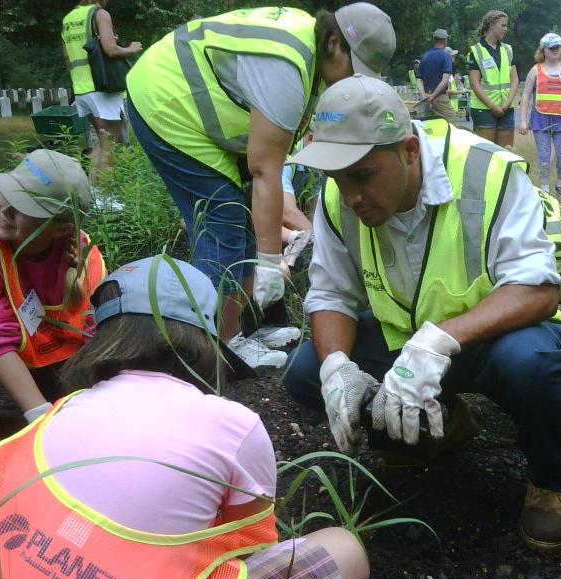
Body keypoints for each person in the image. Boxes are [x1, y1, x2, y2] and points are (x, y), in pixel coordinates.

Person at [283, 74, 561, 550]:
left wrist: (438, 339)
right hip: (407, 346)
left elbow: (538, 289)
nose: (351, 194)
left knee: (531, 362)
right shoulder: (340, 197)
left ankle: (553, 483)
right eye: (338, 177)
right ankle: (436, 426)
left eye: (362, 174)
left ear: (408, 150)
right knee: (307, 370)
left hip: (492, 338)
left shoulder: (488, 173)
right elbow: (331, 295)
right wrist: (338, 366)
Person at [0, 255, 368, 579]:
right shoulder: (234, 425)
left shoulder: (63, 410)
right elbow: (241, 546)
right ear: (205, 342)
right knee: (343, 548)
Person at [125, 4, 395, 368]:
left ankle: (243, 326)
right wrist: (269, 261)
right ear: (334, 44)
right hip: (166, 103)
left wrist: (266, 251)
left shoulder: (310, 52)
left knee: (242, 219)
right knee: (222, 222)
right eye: (354, 70)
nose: (351, 83)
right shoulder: (286, 65)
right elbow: (266, 169)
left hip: (190, 108)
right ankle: (216, 345)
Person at [0, 149, 106, 423]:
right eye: (8, 194)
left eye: (25, 207)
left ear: (61, 229)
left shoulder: (86, 260)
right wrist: (40, 416)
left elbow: (92, 334)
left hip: (52, 353)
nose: (7, 210)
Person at [61, 0, 142, 182]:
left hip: (81, 89)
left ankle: (92, 190)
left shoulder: (68, 19)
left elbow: (66, 56)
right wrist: (131, 49)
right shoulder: (100, 14)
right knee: (110, 143)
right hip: (103, 87)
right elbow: (111, 50)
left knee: (103, 141)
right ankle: (103, 197)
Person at [519, 33, 561, 202]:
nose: (554, 50)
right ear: (543, 50)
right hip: (540, 118)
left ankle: (560, 185)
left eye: (557, 47)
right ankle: (544, 189)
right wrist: (523, 120)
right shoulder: (535, 70)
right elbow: (526, 96)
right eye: (550, 48)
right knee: (544, 156)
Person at [467, 10, 518, 148]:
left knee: (506, 152)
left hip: (506, 108)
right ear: (491, 26)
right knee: (486, 151)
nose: (505, 29)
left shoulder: (508, 49)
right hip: (483, 109)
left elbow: (515, 80)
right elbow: (474, 83)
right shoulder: (476, 51)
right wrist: (493, 106)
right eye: (503, 25)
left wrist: (507, 104)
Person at [417, 28, 459, 124]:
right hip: (439, 97)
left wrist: (424, 95)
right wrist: (434, 95)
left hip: (426, 98)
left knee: (430, 127)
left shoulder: (425, 56)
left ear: (434, 40)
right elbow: (445, 80)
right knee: (452, 126)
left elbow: (419, 80)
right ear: (445, 40)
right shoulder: (445, 56)